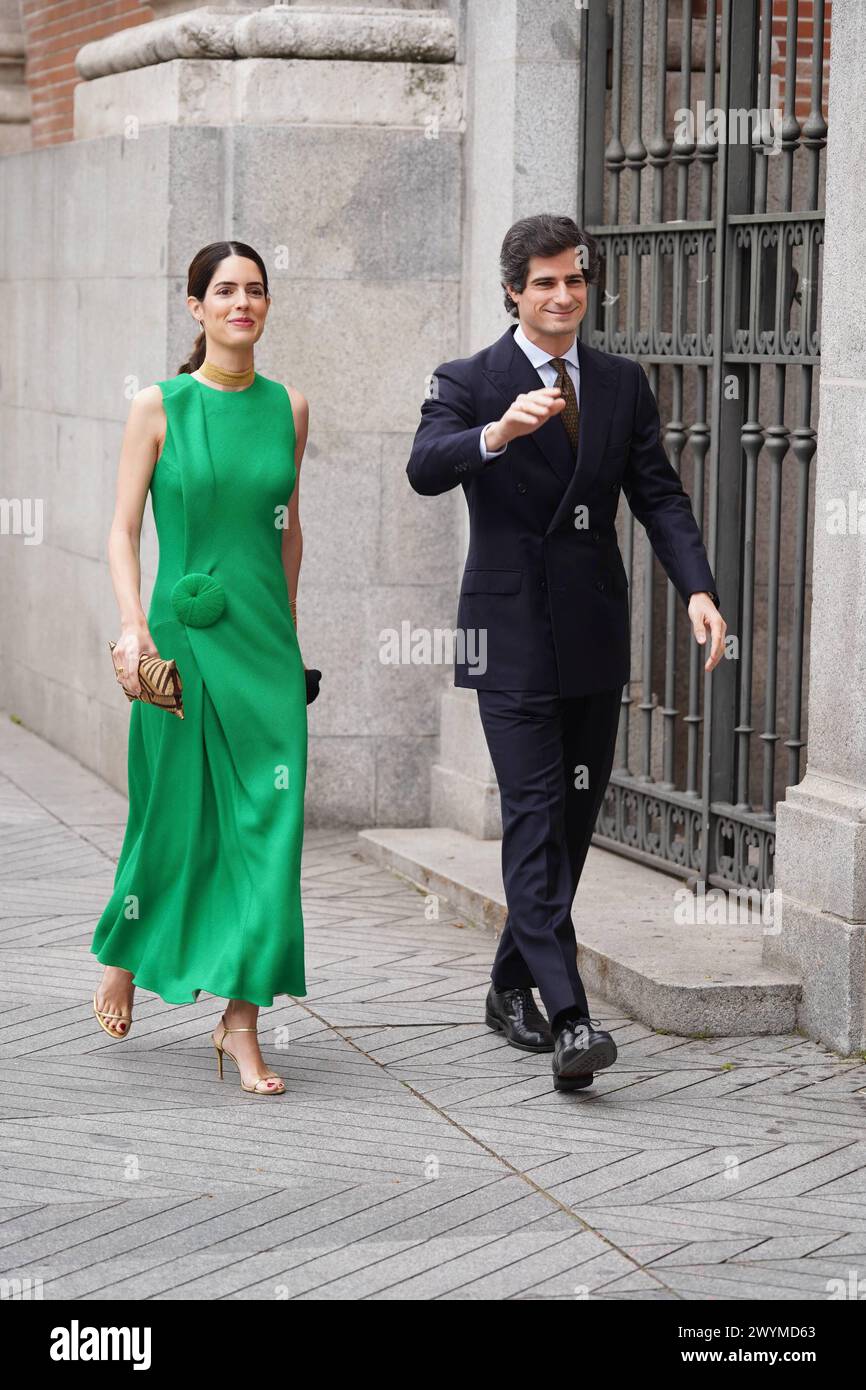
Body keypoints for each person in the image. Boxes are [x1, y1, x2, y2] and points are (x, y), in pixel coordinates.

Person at [407, 214, 726, 1093]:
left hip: (590, 633)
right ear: (513, 290)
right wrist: (499, 433)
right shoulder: (470, 379)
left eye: (574, 280)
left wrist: (697, 588)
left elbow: (658, 496)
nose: (562, 296)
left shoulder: (621, 384)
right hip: (507, 635)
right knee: (537, 814)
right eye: (544, 282)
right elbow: (425, 466)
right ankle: (572, 1018)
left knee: (573, 827)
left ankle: (511, 982)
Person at [90, 240, 309, 1096]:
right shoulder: (158, 405)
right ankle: (122, 950)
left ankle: (241, 1022)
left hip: (265, 653)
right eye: (224, 290)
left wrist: (288, 635)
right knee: (171, 819)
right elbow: (121, 530)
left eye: (255, 290)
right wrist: (133, 629)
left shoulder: (290, 406)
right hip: (179, 648)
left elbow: (288, 528)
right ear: (196, 307)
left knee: (273, 833)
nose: (241, 303)